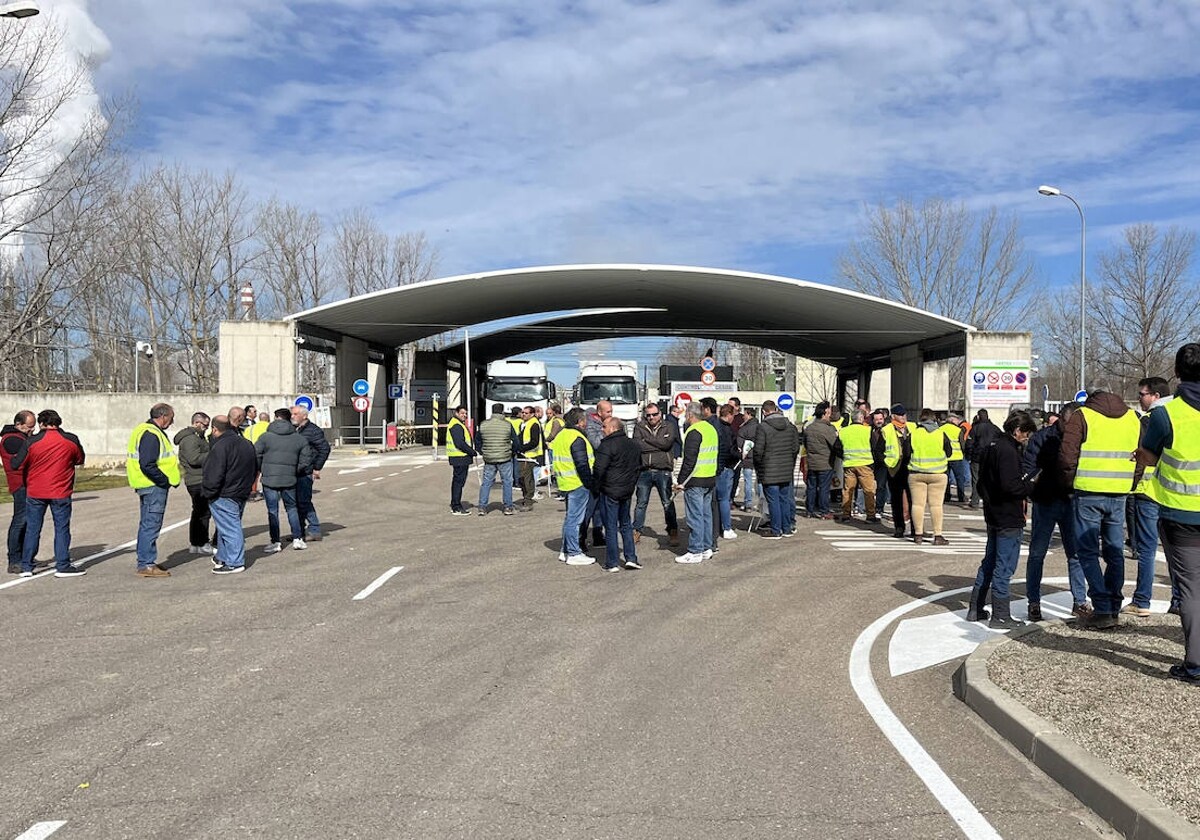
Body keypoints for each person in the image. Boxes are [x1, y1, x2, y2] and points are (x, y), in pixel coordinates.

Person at [1058, 385, 1142, 630]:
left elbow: (1067, 455)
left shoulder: (1082, 415)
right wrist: (1131, 482)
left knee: (1087, 552)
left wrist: (1069, 483)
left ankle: (1102, 606)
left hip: (1088, 492)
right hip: (1119, 493)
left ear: (1091, 398)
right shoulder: (1132, 417)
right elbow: (1141, 456)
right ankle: (1114, 604)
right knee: (1115, 551)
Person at [1140, 343, 1200, 683]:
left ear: (1176, 373)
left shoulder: (1166, 414)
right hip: (1182, 517)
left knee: (1192, 588)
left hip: (1182, 516)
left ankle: (1196, 664)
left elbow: (1149, 456)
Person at [967, 411, 1038, 629]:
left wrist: (989, 501)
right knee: (1004, 566)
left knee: (989, 561)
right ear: (1017, 431)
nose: (1027, 439)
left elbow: (981, 483)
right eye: (1026, 435)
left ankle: (975, 607)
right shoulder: (1008, 450)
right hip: (1008, 515)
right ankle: (1000, 615)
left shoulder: (992, 445)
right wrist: (1032, 486)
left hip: (993, 513)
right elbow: (1011, 486)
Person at [1022, 401, 1090, 621]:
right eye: (1070, 424)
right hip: (1046, 502)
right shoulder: (1041, 438)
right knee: (1037, 554)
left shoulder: (1083, 438)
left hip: (1072, 502)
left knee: (1076, 555)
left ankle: (1080, 601)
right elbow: (1028, 470)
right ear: (1061, 418)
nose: (1073, 429)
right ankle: (1034, 602)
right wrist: (1036, 491)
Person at [13, 409, 86, 578]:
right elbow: (79, 459)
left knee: (33, 528)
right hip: (60, 491)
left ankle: (26, 566)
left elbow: (17, 463)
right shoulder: (70, 439)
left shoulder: (32, 441)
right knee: (61, 528)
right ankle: (62, 565)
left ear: (41, 424)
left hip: (36, 491)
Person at [1126, 377, 1174, 618]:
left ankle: (1142, 599)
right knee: (1175, 549)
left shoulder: (1150, 419)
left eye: (1142, 394)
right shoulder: (1181, 415)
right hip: (1175, 492)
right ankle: (1177, 601)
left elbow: (1143, 455)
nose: (1139, 399)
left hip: (1148, 491)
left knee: (1146, 550)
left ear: (1155, 395)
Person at [127, 403, 179, 578]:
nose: (171, 422)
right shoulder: (151, 433)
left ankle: (146, 561)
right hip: (152, 486)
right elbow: (147, 464)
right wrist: (163, 481)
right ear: (163, 416)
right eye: (171, 418)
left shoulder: (143, 430)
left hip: (145, 485)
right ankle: (146, 564)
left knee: (147, 524)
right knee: (151, 525)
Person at [204, 415, 257, 574]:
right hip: (240, 491)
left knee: (230, 528)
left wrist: (209, 492)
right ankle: (223, 556)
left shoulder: (220, 446)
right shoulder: (246, 443)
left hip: (224, 493)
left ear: (214, 429)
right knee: (225, 527)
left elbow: (214, 473)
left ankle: (235, 562)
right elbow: (255, 467)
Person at [256, 408, 314, 552]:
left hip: (269, 479)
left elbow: (256, 455)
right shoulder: (299, 438)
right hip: (290, 479)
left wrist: (263, 469)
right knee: (292, 508)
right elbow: (306, 460)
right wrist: (294, 470)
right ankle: (298, 538)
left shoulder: (265, 437)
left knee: (272, 511)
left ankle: (275, 542)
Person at [594, 416, 642, 572]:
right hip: (626, 490)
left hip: (610, 490)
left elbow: (598, 469)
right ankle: (631, 558)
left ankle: (612, 562)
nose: (602, 429)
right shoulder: (633, 445)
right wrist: (631, 484)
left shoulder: (606, 445)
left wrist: (596, 486)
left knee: (611, 526)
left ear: (613, 428)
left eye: (604, 426)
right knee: (626, 524)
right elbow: (638, 467)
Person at [550, 408, 595, 565]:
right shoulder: (576, 437)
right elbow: (582, 464)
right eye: (585, 420)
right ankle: (574, 553)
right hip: (578, 483)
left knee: (570, 518)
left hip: (566, 482)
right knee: (575, 520)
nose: (586, 423)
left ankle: (565, 550)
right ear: (580, 422)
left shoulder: (562, 435)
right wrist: (590, 483)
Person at [632, 402, 680, 546]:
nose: (651, 417)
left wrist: (647, 440)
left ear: (660, 414)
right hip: (644, 470)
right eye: (648, 415)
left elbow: (667, 444)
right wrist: (658, 444)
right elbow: (637, 445)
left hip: (663, 470)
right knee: (641, 503)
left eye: (654, 414)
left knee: (667, 502)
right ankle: (636, 531)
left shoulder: (669, 426)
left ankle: (672, 531)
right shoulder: (639, 426)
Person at [675, 402, 717, 563]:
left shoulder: (694, 431)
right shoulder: (710, 429)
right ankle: (707, 547)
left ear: (691, 415)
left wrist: (680, 481)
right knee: (706, 515)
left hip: (695, 478)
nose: (685, 418)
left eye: (686, 415)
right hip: (709, 477)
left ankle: (695, 550)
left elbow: (689, 460)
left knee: (695, 517)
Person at [754, 400, 800, 539]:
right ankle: (786, 528)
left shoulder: (763, 427)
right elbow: (795, 448)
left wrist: (758, 466)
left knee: (773, 500)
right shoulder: (790, 426)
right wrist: (789, 463)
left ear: (764, 412)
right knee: (784, 499)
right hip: (786, 468)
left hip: (769, 469)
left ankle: (776, 530)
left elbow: (758, 451)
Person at [907, 408, 953, 545]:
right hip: (938, 474)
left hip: (917, 473)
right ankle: (937, 535)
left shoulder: (914, 434)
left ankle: (918, 535)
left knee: (917, 505)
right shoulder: (941, 434)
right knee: (936, 505)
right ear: (934, 419)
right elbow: (949, 452)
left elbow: (906, 451)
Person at [174, 412, 215, 558]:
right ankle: (201, 542)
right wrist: (213, 453)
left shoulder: (198, 437)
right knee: (203, 512)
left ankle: (197, 543)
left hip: (199, 478)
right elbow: (194, 459)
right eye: (205, 425)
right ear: (197, 423)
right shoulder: (191, 439)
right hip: (197, 479)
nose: (206, 428)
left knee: (199, 512)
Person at [3, 409, 36, 574]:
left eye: (33, 427)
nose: (31, 431)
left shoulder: (22, 437)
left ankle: (24, 556)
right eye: (28, 427)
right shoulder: (12, 440)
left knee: (27, 522)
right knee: (19, 522)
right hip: (20, 485)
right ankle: (14, 560)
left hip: (28, 484)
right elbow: (24, 460)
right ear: (18, 424)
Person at [291, 405, 331, 541]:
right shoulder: (294, 429)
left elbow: (324, 449)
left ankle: (314, 529)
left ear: (304, 416)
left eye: (295, 414)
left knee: (304, 501)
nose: (292, 416)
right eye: (292, 414)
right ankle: (299, 532)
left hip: (306, 472)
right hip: (294, 471)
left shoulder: (313, 430)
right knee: (295, 503)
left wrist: (317, 467)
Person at [475, 403, 517, 515]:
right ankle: (508, 507)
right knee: (507, 482)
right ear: (502, 412)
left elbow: (477, 441)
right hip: (505, 458)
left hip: (489, 458)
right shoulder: (507, 425)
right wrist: (512, 452)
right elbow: (516, 442)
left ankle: (482, 507)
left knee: (486, 483)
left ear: (492, 412)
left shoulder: (483, 424)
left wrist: (482, 451)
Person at [836, 408, 877, 523]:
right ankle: (870, 515)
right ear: (861, 418)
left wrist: (845, 456)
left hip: (849, 464)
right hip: (865, 464)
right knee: (868, 491)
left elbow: (837, 448)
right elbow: (874, 446)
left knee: (848, 490)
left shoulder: (843, 431)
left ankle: (846, 514)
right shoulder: (868, 430)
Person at [882, 405, 913, 539]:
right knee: (896, 500)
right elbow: (878, 450)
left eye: (904, 414)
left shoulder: (912, 427)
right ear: (893, 416)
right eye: (900, 415)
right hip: (894, 469)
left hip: (911, 468)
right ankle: (899, 528)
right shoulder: (886, 430)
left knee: (914, 500)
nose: (903, 417)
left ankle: (916, 529)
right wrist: (885, 462)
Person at [802, 401, 838, 519]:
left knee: (811, 487)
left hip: (812, 462)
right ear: (824, 413)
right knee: (824, 488)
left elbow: (806, 444)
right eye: (829, 413)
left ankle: (809, 510)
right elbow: (835, 445)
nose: (830, 415)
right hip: (825, 462)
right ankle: (824, 511)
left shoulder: (809, 427)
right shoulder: (827, 429)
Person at [966, 409, 1001, 509]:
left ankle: (975, 501)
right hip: (990, 457)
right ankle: (990, 501)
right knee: (990, 479)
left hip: (977, 457)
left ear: (978, 417)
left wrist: (968, 455)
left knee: (976, 479)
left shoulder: (975, 428)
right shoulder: (995, 428)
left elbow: (969, 443)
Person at [446, 405, 476, 515]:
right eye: (462, 413)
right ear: (456, 413)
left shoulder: (458, 424)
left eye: (466, 413)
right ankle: (456, 507)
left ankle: (456, 504)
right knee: (458, 483)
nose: (465, 415)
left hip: (460, 457)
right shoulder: (456, 425)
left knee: (458, 482)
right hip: (460, 457)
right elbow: (460, 443)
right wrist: (471, 452)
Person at [516, 405, 543, 509]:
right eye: (522, 412)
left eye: (526, 413)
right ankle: (526, 498)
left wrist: (521, 448)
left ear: (532, 414)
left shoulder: (534, 424)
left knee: (527, 479)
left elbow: (534, 442)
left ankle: (528, 501)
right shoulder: (525, 424)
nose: (523, 414)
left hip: (530, 456)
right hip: (524, 456)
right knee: (522, 479)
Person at [941, 414, 970, 505]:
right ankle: (961, 496)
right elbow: (962, 444)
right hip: (957, 457)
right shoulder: (958, 430)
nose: (958, 422)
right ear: (953, 420)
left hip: (944, 457)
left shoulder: (941, 429)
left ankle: (946, 496)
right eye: (957, 420)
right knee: (959, 478)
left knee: (946, 478)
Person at [736, 407, 759, 512]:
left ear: (749, 415)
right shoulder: (760, 427)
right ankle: (762, 503)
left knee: (748, 481)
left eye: (744, 414)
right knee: (760, 481)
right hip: (759, 457)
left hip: (747, 458)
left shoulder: (744, 428)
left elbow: (740, 443)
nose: (743, 416)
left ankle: (748, 503)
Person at [871, 409, 891, 515]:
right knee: (877, 486)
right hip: (873, 462)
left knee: (882, 486)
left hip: (886, 462)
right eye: (876, 419)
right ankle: (876, 507)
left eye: (880, 419)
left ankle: (880, 507)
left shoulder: (888, 430)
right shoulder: (870, 431)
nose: (879, 421)